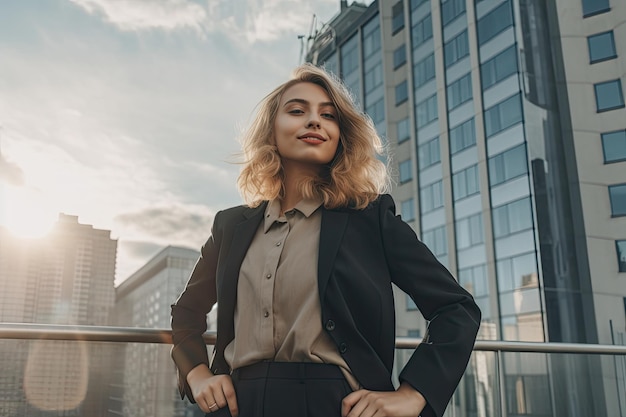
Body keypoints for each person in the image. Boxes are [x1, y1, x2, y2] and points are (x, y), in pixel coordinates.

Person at [171, 64, 481, 417]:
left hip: (338, 404)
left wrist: (414, 393)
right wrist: (197, 374)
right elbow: (186, 312)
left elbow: (456, 309)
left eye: (328, 115)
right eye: (297, 111)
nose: (314, 121)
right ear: (271, 130)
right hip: (238, 404)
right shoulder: (230, 227)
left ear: (340, 135)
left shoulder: (371, 219)